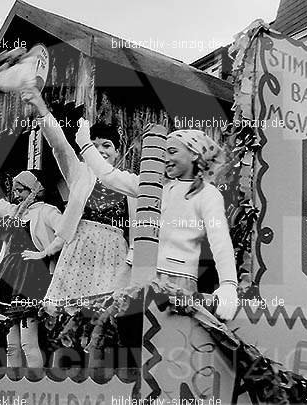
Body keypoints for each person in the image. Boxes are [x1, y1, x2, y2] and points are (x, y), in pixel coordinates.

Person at [74, 120, 240, 322]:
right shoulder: (153, 186)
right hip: (134, 275)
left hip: (174, 282)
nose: (166, 159)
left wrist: (229, 286)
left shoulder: (207, 194)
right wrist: (84, 143)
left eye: (172, 151)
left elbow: (220, 241)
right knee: (119, 337)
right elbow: (110, 176)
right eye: (164, 153)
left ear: (194, 154)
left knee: (164, 343)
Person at [22, 89, 138, 368]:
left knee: (103, 329)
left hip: (114, 260)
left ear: (117, 151)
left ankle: (101, 389)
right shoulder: (79, 173)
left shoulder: (130, 183)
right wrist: (41, 110)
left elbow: (138, 234)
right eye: (94, 144)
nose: (100, 150)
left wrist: (129, 265)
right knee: (70, 325)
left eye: (107, 145)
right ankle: (63, 385)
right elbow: (60, 146)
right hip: (79, 255)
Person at [0, 165, 63, 368]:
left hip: (32, 277)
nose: (15, 195)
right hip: (8, 279)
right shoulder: (13, 212)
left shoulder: (47, 211)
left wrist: (44, 253)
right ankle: (13, 383)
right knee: (11, 344)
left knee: (27, 341)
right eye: (14, 190)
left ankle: (33, 383)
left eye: (20, 190)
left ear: (35, 189)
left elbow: (65, 234)